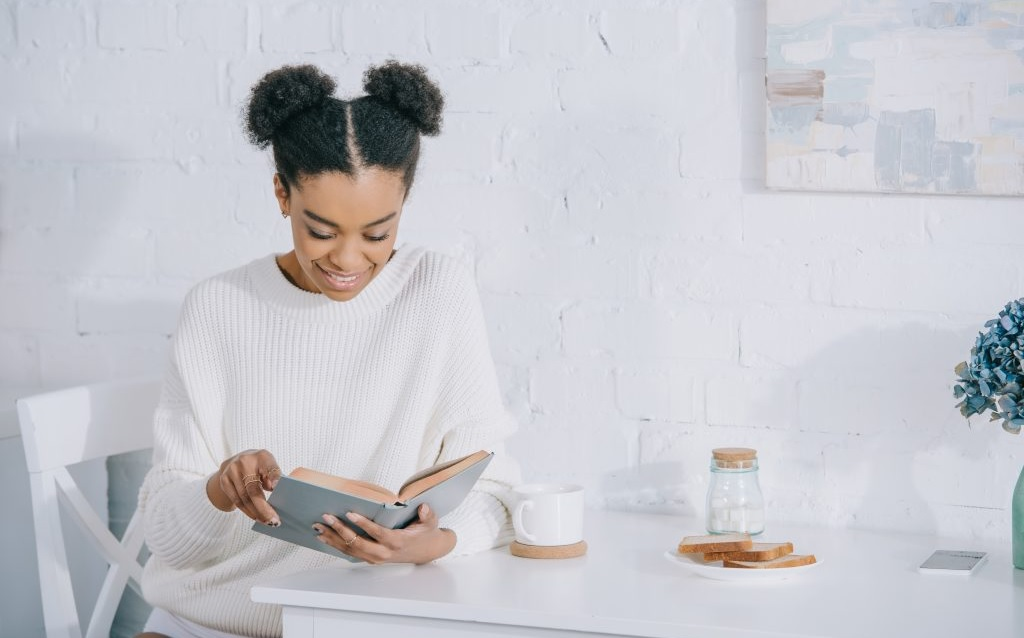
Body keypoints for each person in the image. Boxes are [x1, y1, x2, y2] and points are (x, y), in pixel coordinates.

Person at [135, 60, 520, 638]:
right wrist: (218, 490)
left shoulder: (437, 292)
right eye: (321, 231)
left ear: (405, 203)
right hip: (202, 624)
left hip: (361, 626)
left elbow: (497, 492)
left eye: (377, 234)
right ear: (281, 194)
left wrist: (434, 543)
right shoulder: (217, 307)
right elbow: (166, 538)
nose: (346, 260)